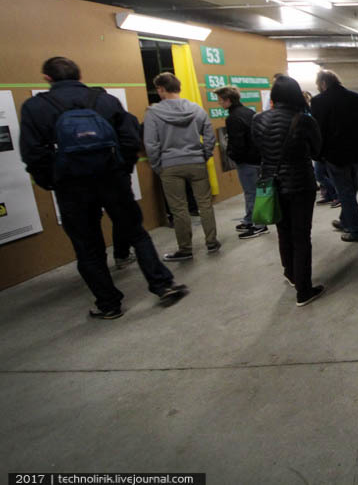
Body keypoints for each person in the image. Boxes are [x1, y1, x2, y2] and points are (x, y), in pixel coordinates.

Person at [19, 57, 187, 318]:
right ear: (80, 74)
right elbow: (130, 138)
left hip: (71, 187)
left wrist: (53, 180)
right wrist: (122, 170)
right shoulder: (104, 101)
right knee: (137, 233)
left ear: (47, 79)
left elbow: (32, 153)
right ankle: (163, 284)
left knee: (87, 246)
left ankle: (109, 304)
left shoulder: (36, 107)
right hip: (112, 179)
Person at [251, 75, 325, 306]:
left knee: (283, 231)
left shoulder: (258, 120)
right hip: (300, 184)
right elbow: (317, 151)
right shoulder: (303, 120)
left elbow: (257, 151)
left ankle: (291, 274)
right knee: (301, 235)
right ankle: (304, 291)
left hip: (271, 184)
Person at [143, 72, 219, 260]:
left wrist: (158, 165)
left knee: (179, 209)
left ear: (161, 89)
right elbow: (209, 135)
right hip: (196, 162)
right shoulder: (196, 109)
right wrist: (205, 155)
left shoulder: (153, 113)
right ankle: (211, 242)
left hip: (169, 165)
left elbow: (151, 143)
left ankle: (185, 249)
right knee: (205, 205)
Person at [309, 70, 358, 242]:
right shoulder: (357, 98)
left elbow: (317, 131)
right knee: (349, 189)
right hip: (356, 154)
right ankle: (346, 220)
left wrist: (319, 155)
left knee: (345, 192)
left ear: (323, 83)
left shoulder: (318, 101)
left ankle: (357, 230)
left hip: (334, 156)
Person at [216, 86, 267, 239]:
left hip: (247, 161)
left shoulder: (233, 118)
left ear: (228, 100)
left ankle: (259, 225)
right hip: (257, 159)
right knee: (253, 191)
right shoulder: (249, 112)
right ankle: (250, 219)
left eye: (220, 100)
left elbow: (237, 143)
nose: (219, 104)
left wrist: (234, 156)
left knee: (251, 192)